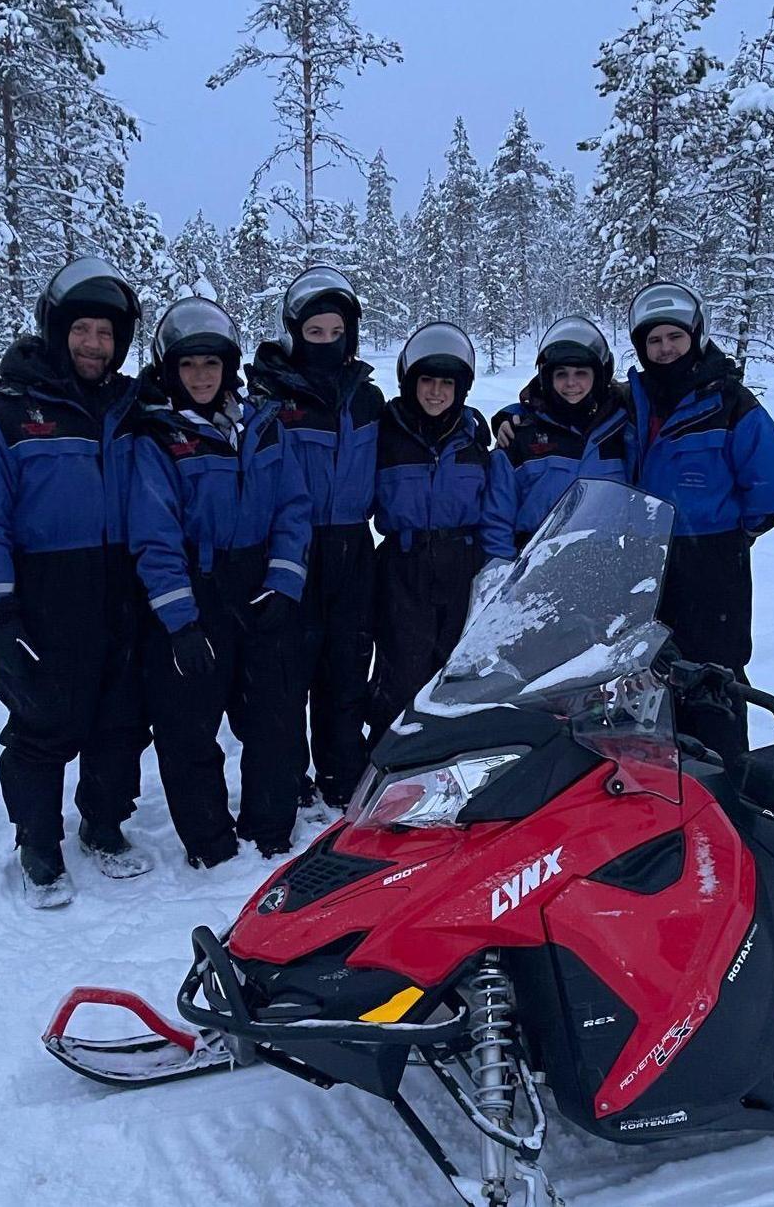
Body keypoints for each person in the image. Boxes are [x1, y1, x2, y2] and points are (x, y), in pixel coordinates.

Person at [0, 257, 150, 908]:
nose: (95, 345)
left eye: (107, 333)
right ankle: (39, 842)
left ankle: (103, 825)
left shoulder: (128, 406)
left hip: (118, 586)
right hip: (44, 594)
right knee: (44, 721)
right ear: (57, 329)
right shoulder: (5, 415)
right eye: (83, 330)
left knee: (118, 719)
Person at [129, 297, 311, 865]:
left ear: (228, 367)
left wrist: (284, 582)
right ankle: (209, 842)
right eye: (188, 365)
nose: (201, 376)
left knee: (274, 715)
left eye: (211, 364)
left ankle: (271, 825)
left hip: (257, 583)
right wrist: (180, 623)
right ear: (170, 370)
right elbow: (153, 534)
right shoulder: (157, 438)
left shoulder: (261, 427)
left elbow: (293, 509)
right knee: (188, 725)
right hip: (195, 588)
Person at [625, 280, 774, 757]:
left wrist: (739, 532)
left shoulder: (728, 401)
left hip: (712, 559)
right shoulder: (634, 400)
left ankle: (726, 782)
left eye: (674, 338)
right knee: (652, 674)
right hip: (647, 559)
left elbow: (771, 482)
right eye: (653, 341)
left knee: (714, 677)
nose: (664, 349)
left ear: (695, 336)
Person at [245, 265, 384, 809]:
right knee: (288, 673)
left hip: (353, 544)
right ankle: (290, 778)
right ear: (294, 333)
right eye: (314, 332)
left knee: (347, 667)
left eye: (336, 332)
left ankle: (341, 773)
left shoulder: (367, 399)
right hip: (290, 548)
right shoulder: (270, 396)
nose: (326, 342)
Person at [366, 323, 507, 743]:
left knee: (458, 671)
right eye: (427, 380)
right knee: (400, 672)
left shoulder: (475, 439)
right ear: (410, 382)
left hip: (462, 564)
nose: (436, 392)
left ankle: (452, 760)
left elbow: (495, 504)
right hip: (402, 565)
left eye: (447, 383)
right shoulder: (385, 433)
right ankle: (388, 759)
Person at [482, 315, 632, 560]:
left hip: (606, 562)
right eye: (561, 374)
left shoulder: (622, 426)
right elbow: (496, 519)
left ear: (598, 376)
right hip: (535, 565)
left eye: (581, 373)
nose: (571, 383)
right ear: (547, 378)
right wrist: (501, 572)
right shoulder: (520, 434)